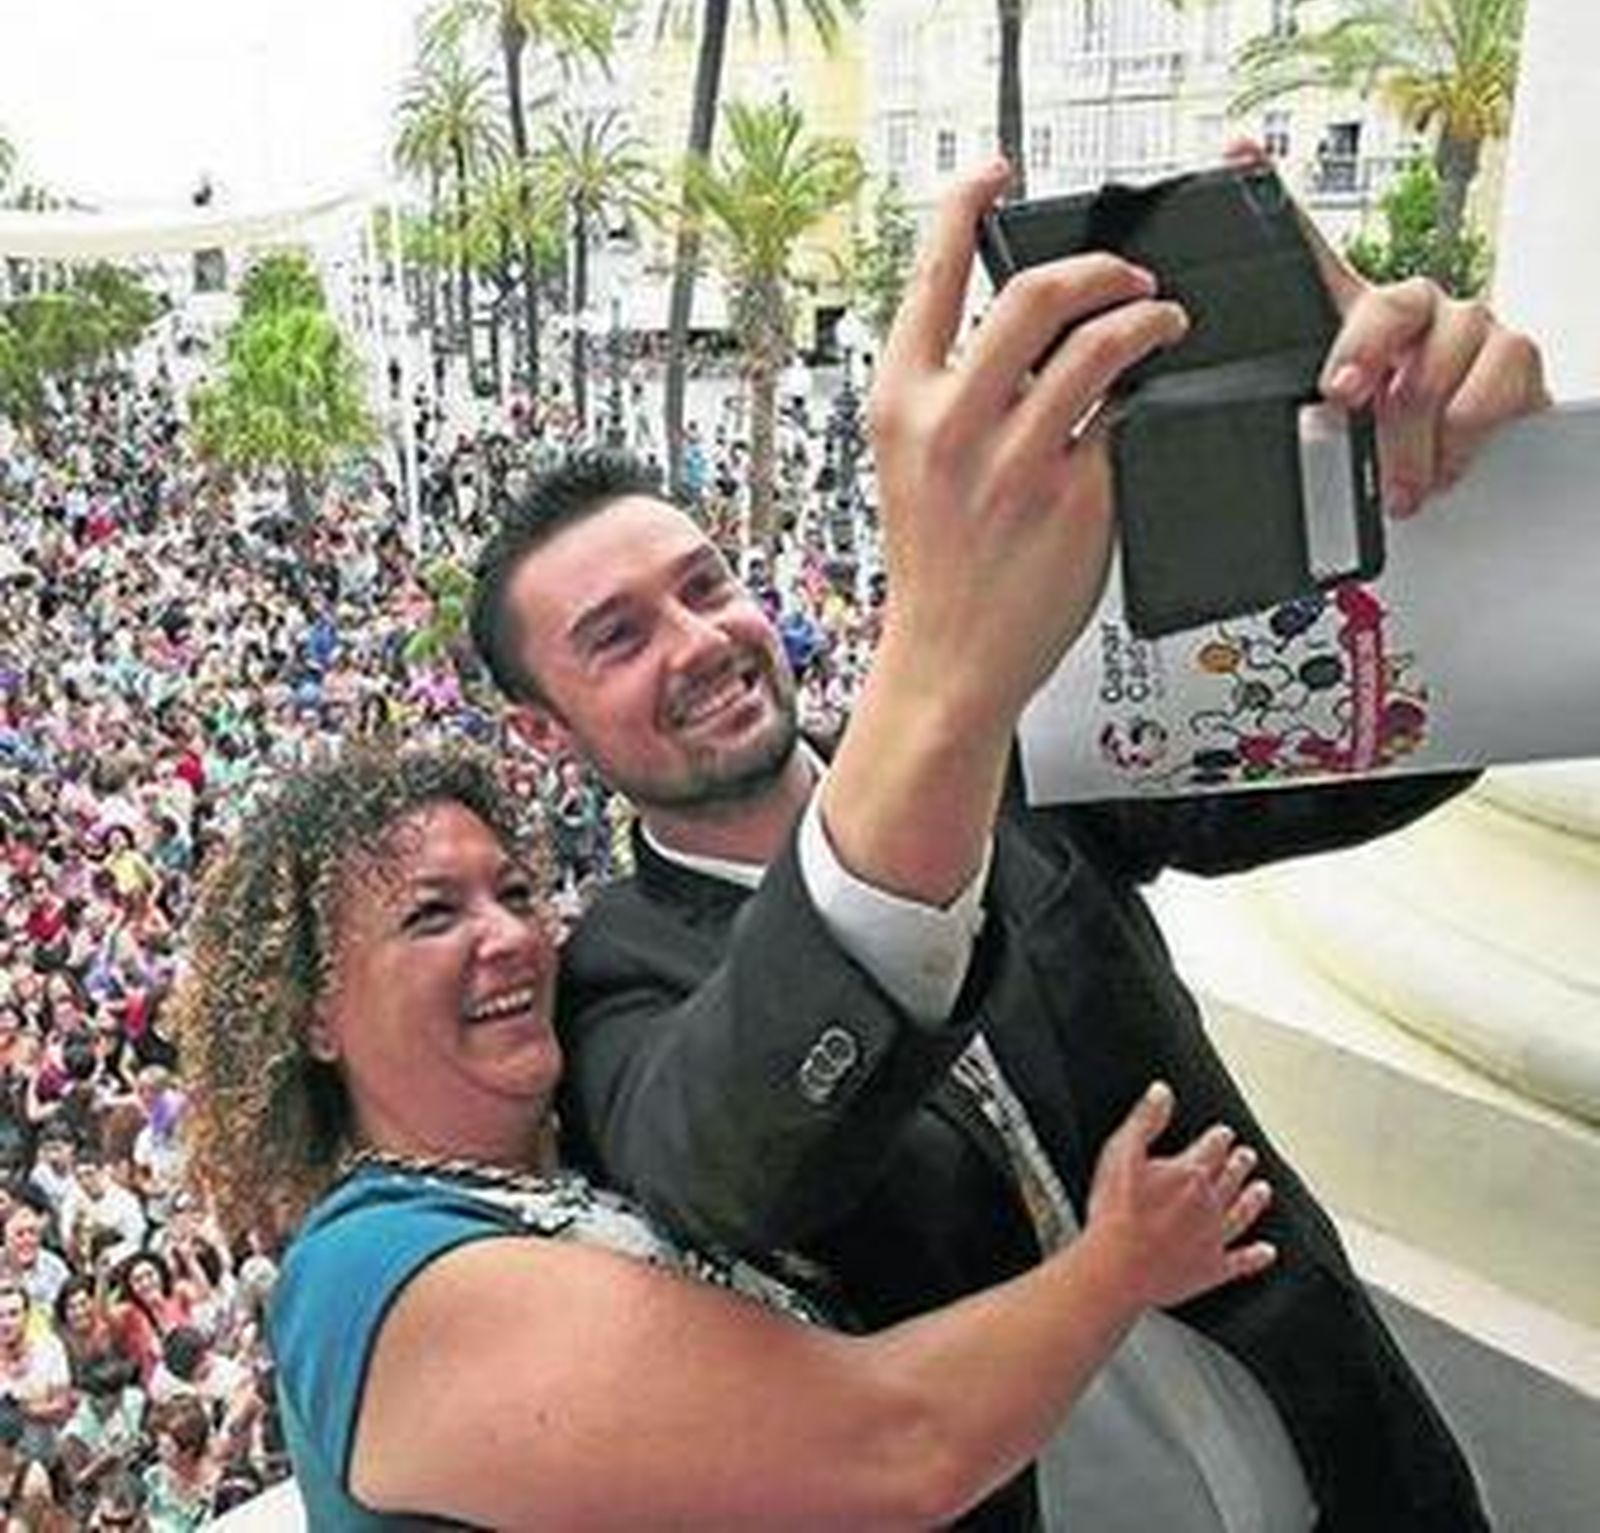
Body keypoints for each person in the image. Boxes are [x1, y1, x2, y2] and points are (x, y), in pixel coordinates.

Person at [467, 155, 1549, 1532]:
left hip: (1349, 1463)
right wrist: (947, 657)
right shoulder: (612, 984)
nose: (698, 643)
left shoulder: (1028, 755)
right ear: (550, 732)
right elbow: (730, 1163)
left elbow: (1385, 748)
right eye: (616, 636)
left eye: (705, 584)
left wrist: (1478, 490)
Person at [178, 743, 1275, 1530]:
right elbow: (895, 1448)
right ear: (312, 1012)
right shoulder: (371, 1275)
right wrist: (1117, 1264)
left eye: (514, 891)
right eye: (433, 914)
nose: (508, 936)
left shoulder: (582, 1172)